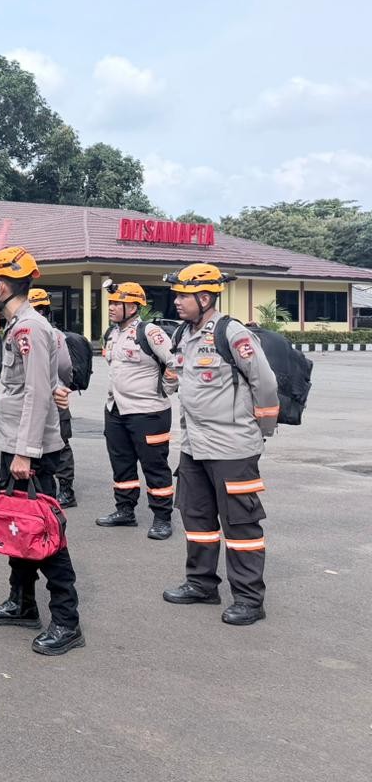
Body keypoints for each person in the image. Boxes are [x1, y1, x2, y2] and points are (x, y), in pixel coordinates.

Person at [0, 247, 84, 656]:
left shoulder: (30, 328)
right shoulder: (20, 325)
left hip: (30, 450)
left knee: (45, 532)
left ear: (2, 286)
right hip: (19, 444)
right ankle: (21, 602)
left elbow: (38, 392)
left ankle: (67, 622)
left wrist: (25, 452)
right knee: (16, 526)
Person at [161, 264, 278, 626]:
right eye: (176, 294)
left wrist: (259, 432)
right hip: (194, 446)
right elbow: (177, 378)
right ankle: (201, 584)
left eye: (183, 295)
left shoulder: (232, 332)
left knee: (240, 526)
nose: (176, 301)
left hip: (232, 449)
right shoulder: (182, 333)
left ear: (205, 297)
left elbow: (265, 383)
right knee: (196, 518)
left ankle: (249, 599)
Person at [96, 281, 177, 540]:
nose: (111, 307)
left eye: (116, 303)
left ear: (132, 307)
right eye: (111, 303)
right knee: (121, 464)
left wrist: (165, 388)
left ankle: (162, 518)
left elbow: (175, 361)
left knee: (155, 466)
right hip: (116, 410)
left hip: (148, 412)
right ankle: (125, 510)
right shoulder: (112, 333)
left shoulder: (150, 332)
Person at [30, 288, 77, 508]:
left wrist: (60, 386)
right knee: (39, 443)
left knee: (61, 444)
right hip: (40, 397)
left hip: (53, 398)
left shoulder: (51, 333)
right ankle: (44, 488)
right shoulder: (32, 330)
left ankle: (66, 490)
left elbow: (65, 366)